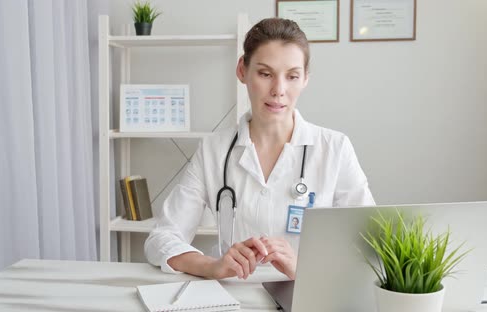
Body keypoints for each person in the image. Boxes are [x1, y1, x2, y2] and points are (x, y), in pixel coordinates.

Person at [144, 17, 375, 281]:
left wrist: (303, 269)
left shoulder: (335, 149)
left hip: (307, 297)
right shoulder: (214, 150)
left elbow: (371, 243)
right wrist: (213, 266)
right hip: (233, 296)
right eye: (265, 74)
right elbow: (161, 239)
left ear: (305, 79)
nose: (279, 90)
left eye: (292, 76)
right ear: (242, 70)